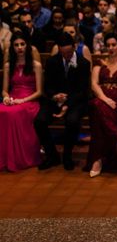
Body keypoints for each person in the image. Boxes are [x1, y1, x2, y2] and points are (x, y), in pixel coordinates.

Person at [35, 33, 91, 170]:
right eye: (63, 52)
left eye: (69, 52)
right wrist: (54, 96)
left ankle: (67, 155)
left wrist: (67, 104)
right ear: (59, 49)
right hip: (55, 100)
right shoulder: (52, 62)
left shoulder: (84, 64)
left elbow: (82, 90)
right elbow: (47, 86)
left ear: (74, 47)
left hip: (75, 101)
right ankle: (51, 155)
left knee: (72, 121)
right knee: (39, 121)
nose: (66, 55)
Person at [86, 33, 117, 177]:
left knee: (98, 113)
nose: (111, 48)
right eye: (108, 45)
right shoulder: (100, 64)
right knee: (97, 105)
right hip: (102, 98)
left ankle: (96, 160)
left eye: (114, 45)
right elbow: (94, 84)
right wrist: (105, 99)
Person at [0, 34, 43, 171]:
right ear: (12, 47)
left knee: (15, 114)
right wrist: (6, 98)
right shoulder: (8, 66)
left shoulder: (36, 65)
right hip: (13, 99)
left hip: (30, 100)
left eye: (22, 44)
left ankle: (19, 158)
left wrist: (23, 100)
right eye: (16, 45)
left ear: (27, 46)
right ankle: (4, 158)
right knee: (2, 110)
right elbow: (4, 90)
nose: (19, 47)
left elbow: (39, 92)